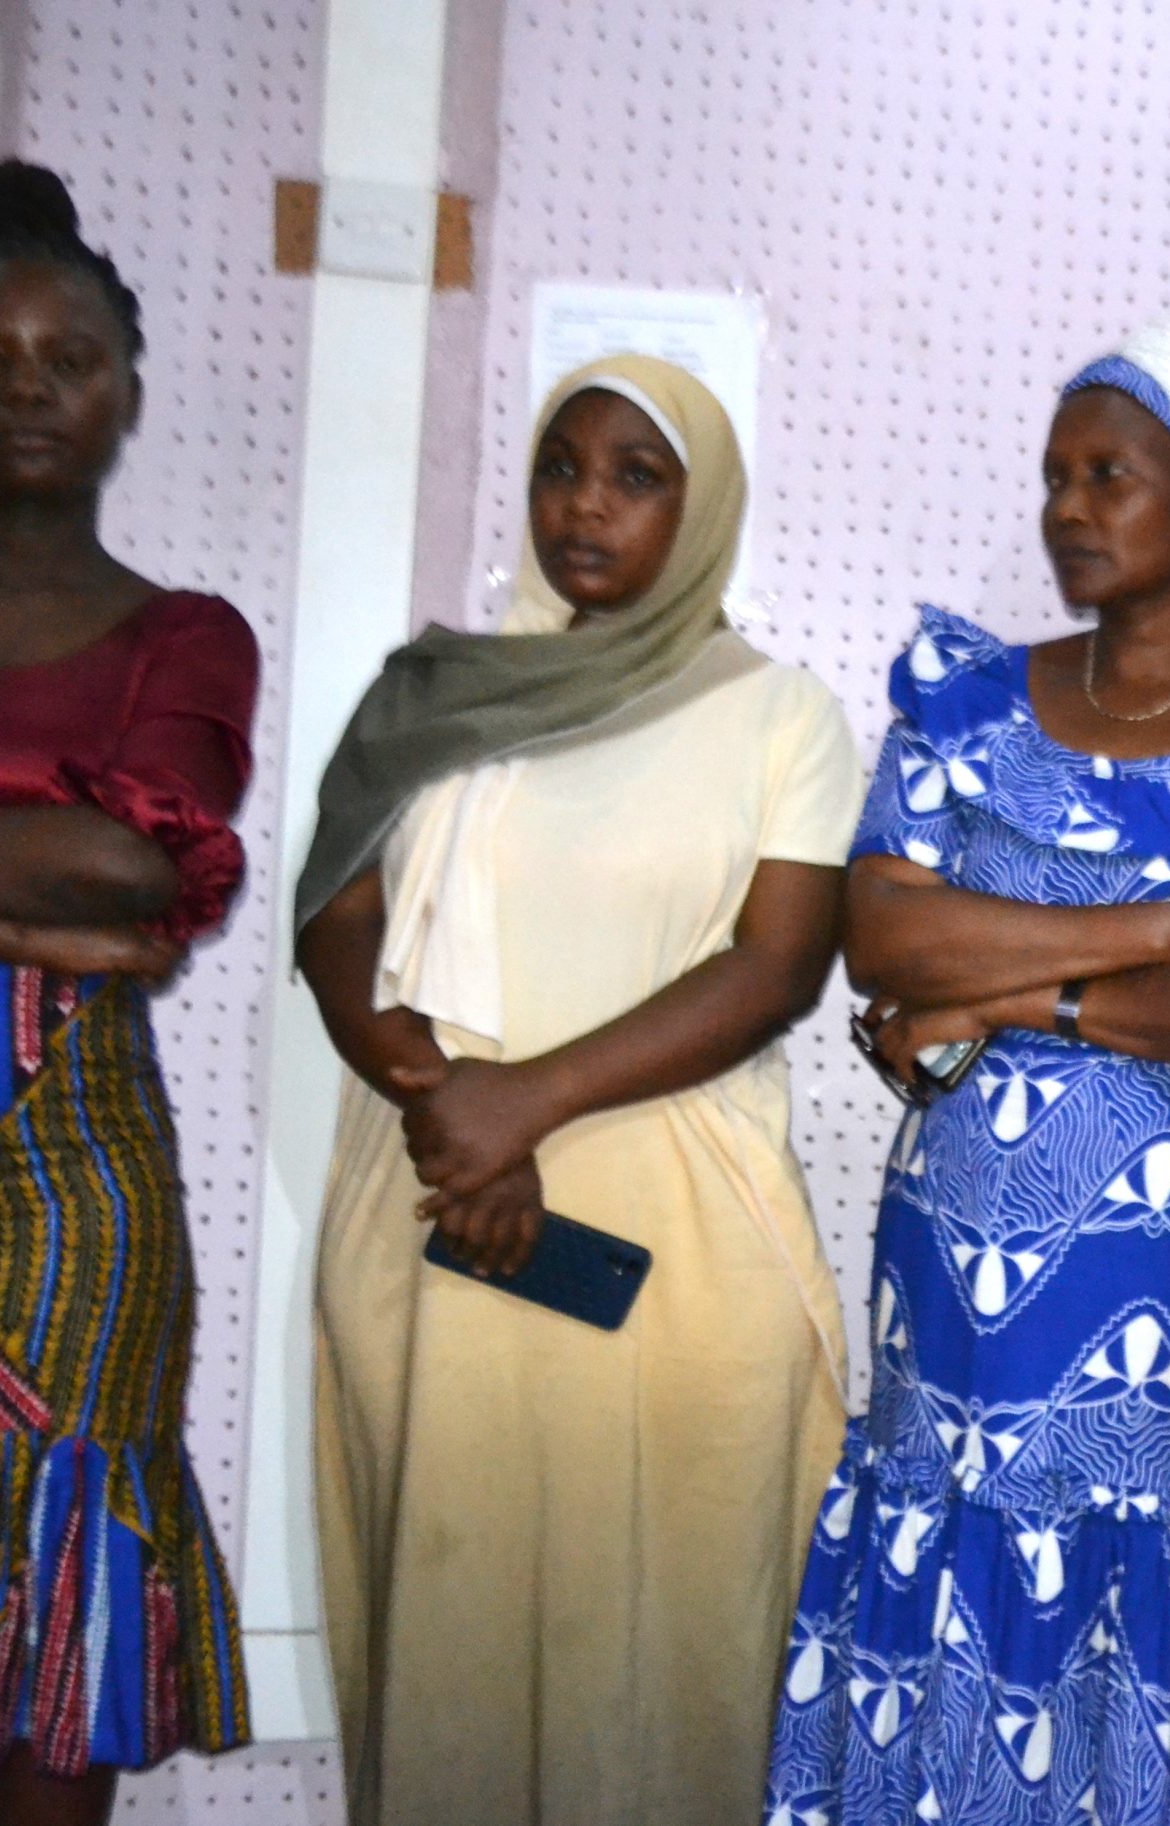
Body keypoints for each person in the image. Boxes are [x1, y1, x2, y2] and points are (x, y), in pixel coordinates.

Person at [767, 311, 1170, 1826]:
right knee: (959, 1561)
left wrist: (1020, 994)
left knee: (1161, 1594)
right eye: (1054, 477)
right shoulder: (964, 698)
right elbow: (884, 933)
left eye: (1108, 475)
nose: (1067, 508)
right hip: (962, 1291)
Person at [297, 354, 859, 1826]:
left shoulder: (780, 715)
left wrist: (519, 1104)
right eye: (561, 466)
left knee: (665, 1678)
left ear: (705, 504)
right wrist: (453, 1116)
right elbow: (334, 916)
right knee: (451, 1660)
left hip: (675, 1254)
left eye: (635, 475)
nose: (586, 504)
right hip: (436, 1211)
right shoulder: (432, 693)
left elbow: (777, 966)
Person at [0, 162, 256, 1824]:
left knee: (50, 1649)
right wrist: (23, 907)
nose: (30, 390)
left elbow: (135, 869)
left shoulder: (184, 637)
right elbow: (77, 878)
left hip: (71, 1205)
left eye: (68, 360)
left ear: (128, 391)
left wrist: (73, 900)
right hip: (50, 1073)